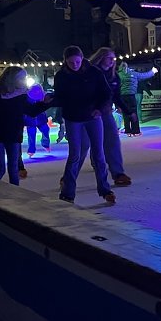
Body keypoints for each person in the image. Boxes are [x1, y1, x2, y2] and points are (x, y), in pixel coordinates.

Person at [55, 46, 116, 204]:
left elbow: (106, 93)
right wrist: (49, 100)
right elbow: (60, 97)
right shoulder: (62, 76)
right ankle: (68, 192)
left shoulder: (94, 73)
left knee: (98, 154)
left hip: (92, 116)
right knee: (75, 154)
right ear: (65, 61)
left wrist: (100, 109)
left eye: (77, 61)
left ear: (82, 59)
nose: (74, 65)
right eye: (70, 62)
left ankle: (105, 189)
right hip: (73, 118)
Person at [0, 66, 50, 185]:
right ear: (12, 79)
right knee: (0, 169)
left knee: (13, 169)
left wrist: (45, 103)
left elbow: (31, 111)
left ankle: (15, 197)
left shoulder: (21, 94)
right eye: (21, 78)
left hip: (13, 133)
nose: (23, 80)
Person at [79, 47, 134, 186]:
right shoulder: (89, 73)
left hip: (105, 112)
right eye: (109, 58)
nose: (112, 61)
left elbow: (116, 96)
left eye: (113, 58)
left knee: (112, 141)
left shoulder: (114, 77)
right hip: (88, 113)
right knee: (83, 145)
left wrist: (129, 111)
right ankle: (69, 176)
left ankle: (118, 173)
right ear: (101, 57)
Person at [118, 62, 156, 136]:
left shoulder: (119, 75)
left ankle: (128, 130)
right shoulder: (133, 74)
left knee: (125, 113)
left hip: (122, 96)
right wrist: (152, 71)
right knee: (133, 113)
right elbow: (143, 75)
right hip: (131, 95)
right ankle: (135, 131)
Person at [24, 83, 51, 157]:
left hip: (40, 118)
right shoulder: (27, 96)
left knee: (45, 129)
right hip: (30, 119)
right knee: (31, 134)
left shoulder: (42, 96)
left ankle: (45, 144)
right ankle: (31, 150)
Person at [44, 75, 66, 144]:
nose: (49, 82)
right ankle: (62, 136)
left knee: (63, 124)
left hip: (64, 109)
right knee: (63, 124)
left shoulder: (59, 89)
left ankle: (63, 136)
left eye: (49, 80)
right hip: (62, 109)